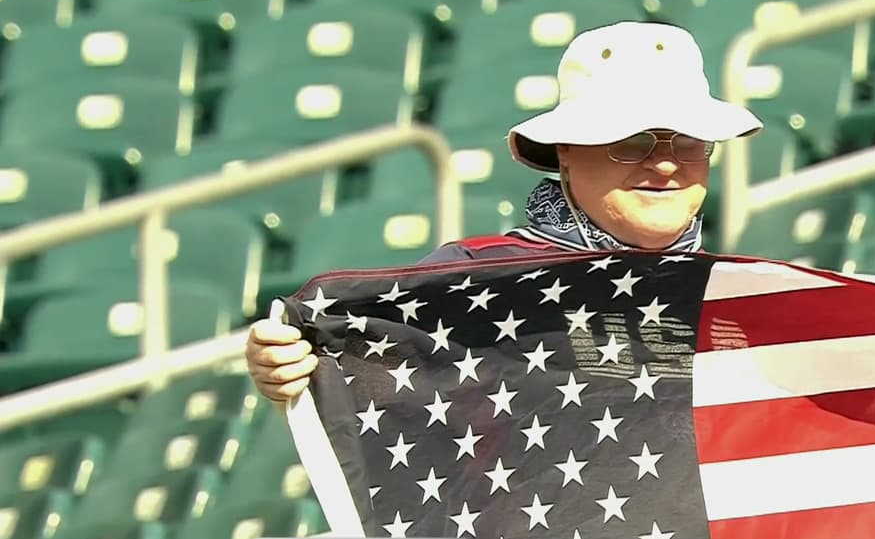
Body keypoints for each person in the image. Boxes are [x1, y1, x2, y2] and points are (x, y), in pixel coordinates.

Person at [244, 20, 763, 405]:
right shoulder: (474, 277)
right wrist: (293, 364)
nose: (667, 163)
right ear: (566, 150)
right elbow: (369, 386)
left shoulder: (747, 298)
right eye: (632, 141)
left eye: (690, 141)